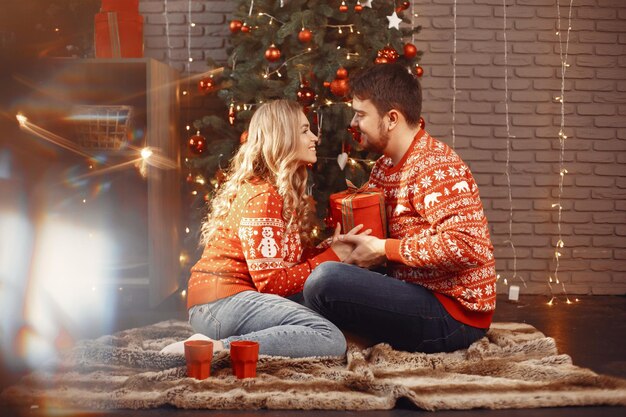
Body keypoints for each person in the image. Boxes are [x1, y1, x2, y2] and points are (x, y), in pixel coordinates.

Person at [302, 63, 497, 353]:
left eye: (361, 114)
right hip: (410, 293)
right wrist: (343, 246)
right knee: (304, 284)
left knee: (325, 280)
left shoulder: (436, 165)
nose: (354, 124)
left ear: (391, 118)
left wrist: (383, 249)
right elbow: (380, 238)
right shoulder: (383, 168)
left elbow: (467, 246)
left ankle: (336, 337)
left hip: (453, 313)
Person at [161, 99, 368, 358]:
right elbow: (272, 284)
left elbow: (283, 264)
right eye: (304, 131)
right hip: (219, 304)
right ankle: (214, 348)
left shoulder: (278, 192)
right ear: (282, 138)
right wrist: (333, 256)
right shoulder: (263, 196)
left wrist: (330, 249)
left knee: (334, 320)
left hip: (231, 303)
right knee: (329, 338)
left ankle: (227, 342)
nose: (314, 137)